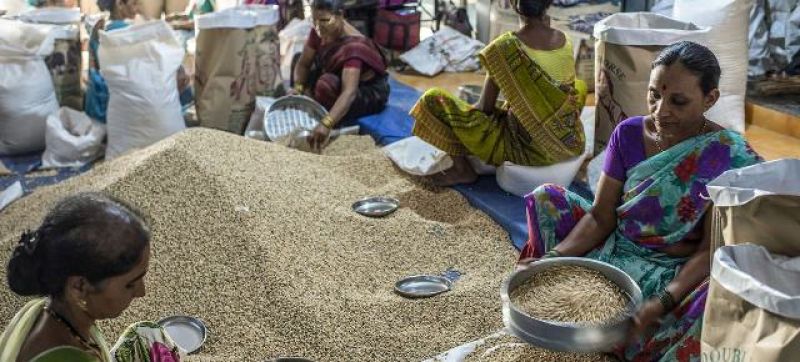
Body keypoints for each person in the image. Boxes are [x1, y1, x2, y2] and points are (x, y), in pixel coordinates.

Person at [517, 41, 762, 361]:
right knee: (547, 198)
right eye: (654, 95)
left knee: (724, 293)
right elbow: (600, 217)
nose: (661, 111)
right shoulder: (629, 134)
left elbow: (708, 251)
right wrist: (551, 259)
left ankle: (641, 339)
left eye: (679, 101)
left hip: (671, 274)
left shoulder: (728, 156)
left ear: (710, 98)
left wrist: (662, 302)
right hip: (612, 252)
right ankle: (600, 326)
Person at [408, 0, 587, 186]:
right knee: (579, 87)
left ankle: (462, 170)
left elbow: (484, 108)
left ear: (513, 5)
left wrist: (464, 115)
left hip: (527, 151)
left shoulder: (503, 48)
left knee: (432, 98)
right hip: (568, 144)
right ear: (548, 3)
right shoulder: (565, 41)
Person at [0, 193, 181, 362]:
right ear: (79, 287)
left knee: (147, 335)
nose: (142, 292)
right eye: (130, 284)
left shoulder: (47, 308)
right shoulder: (65, 354)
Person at [291, 0, 390, 151]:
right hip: (337, 74)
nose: (319, 27)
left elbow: (349, 92)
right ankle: (313, 100)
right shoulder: (319, 30)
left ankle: (329, 114)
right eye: (314, 21)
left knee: (325, 85)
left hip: (366, 91)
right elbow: (303, 63)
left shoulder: (354, 47)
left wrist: (326, 123)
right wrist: (298, 88)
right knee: (297, 59)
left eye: (325, 20)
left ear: (340, 16)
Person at [84, 0, 191, 124]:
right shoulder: (126, 31)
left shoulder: (100, 26)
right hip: (117, 100)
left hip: (98, 99)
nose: (138, 8)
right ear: (119, 4)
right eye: (134, 3)